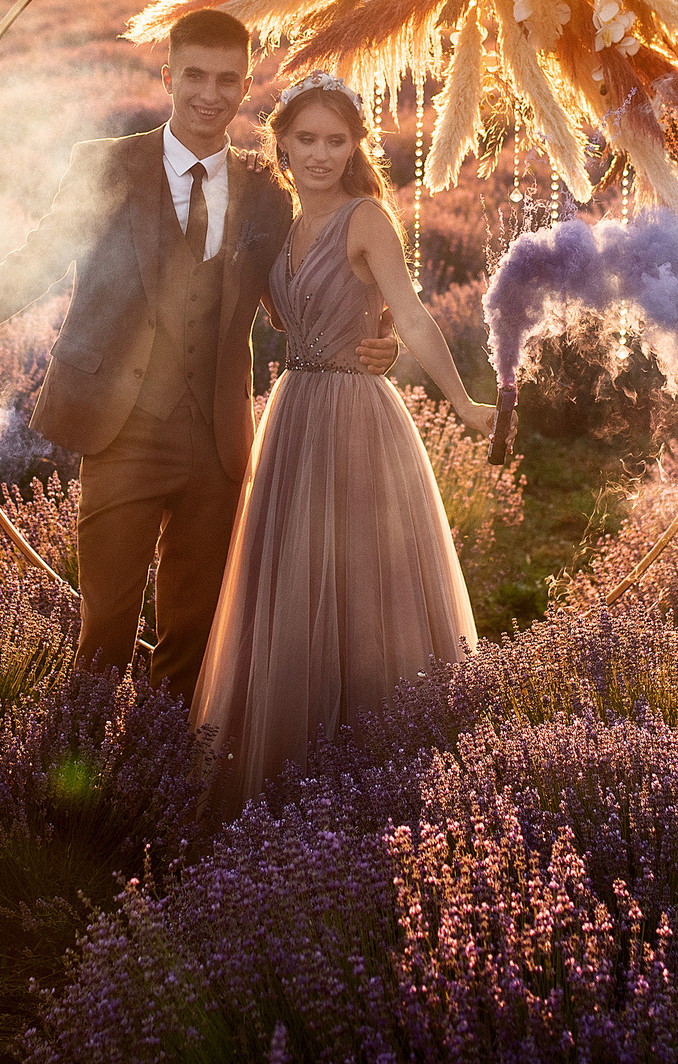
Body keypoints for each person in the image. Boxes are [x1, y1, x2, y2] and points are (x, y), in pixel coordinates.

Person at [0, 10, 398, 700]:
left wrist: (377, 329)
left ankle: (171, 780)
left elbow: (299, 287)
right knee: (106, 624)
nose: (211, 93)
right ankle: (83, 782)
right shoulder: (106, 164)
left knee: (196, 631)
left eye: (228, 79)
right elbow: (35, 264)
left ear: (244, 85)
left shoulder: (268, 190)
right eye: (196, 75)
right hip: (120, 432)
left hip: (217, 440)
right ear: (168, 74)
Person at [190, 69, 496, 806]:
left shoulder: (367, 218)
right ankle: (292, 771)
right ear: (283, 145)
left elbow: (413, 313)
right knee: (292, 577)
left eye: (336, 140)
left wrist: (463, 401)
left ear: (356, 146)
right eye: (306, 139)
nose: (321, 153)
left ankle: (383, 767)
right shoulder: (277, 223)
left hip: (357, 417)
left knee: (362, 582)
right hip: (293, 411)